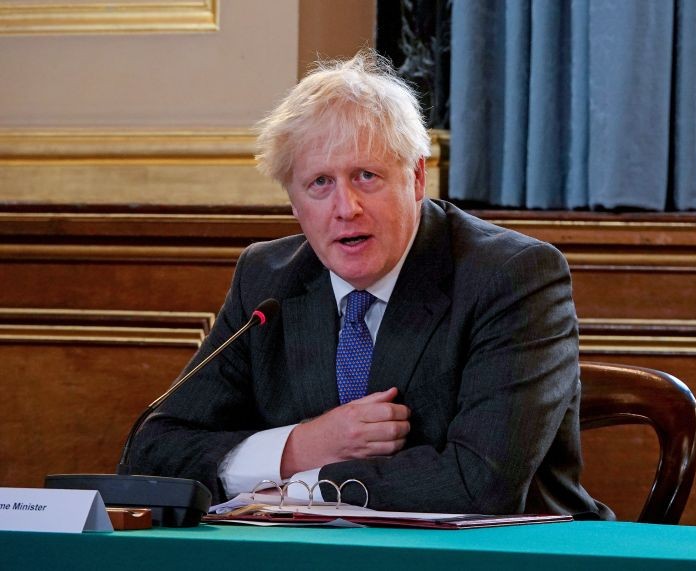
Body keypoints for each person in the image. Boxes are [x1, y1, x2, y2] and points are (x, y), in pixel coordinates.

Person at [129, 49, 611, 519]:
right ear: (294, 205)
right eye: (320, 183)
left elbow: (480, 481)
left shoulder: (510, 276)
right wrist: (300, 447)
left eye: (366, 176)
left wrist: (301, 484)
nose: (346, 207)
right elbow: (150, 453)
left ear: (418, 179)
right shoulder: (269, 279)